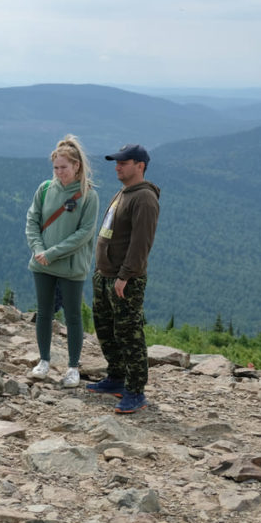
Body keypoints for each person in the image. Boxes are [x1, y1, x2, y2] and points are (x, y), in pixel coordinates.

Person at [86, 144, 160, 413]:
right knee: (107, 330)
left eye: (123, 162)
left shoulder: (144, 198)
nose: (117, 166)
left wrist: (125, 276)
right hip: (105, 275)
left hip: (124, 280)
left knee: (128, 334)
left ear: (140, 165)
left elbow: (142, 243)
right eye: (116, 162)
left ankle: (136, 391)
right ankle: (116, 378)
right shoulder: (124, 193)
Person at [25, 135, 100, 388]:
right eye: (56, 168)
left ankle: (72, 368)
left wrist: (51, 252)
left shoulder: (88, 195)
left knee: (73, 316)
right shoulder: (45, 189)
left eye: (64, 168)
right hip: (42, 262)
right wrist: (37, 248)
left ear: (76, 166)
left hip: (69, 266)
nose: (59, 172)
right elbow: (32, 221)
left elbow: (84, 234)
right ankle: (44, 361)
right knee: (44, 313)